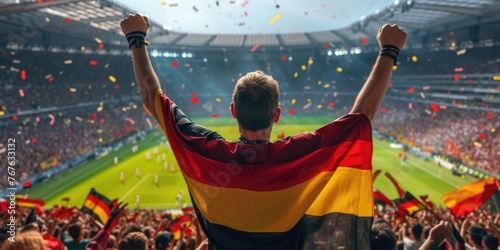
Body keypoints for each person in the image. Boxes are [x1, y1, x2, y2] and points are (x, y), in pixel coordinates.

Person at [120, 14, 407, 249]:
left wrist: (137, 40)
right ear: (277, 115)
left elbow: (151, 97)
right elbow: (360, 117)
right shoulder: (297, 155)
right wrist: (388, 51)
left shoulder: (208, 152)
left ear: (233, 111)